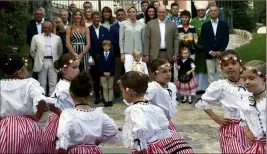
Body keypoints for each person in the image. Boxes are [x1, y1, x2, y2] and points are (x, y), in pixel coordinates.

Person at [195, 50, 250, 153]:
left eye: (233, 63)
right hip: (231, 129)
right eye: (225, 65)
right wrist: (215, 117)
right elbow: (203, 101)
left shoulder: (248, 83)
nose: (230, 67)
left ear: (240, 64)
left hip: (250, 128)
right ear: (221, 68)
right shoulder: (221, 86)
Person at [56, 72, 119, 153]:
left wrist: (73, 146)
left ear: (71, 94)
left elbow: (62, 141)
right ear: (90, 92)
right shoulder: (99, 114)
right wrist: (96, 142)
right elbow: (113, 131)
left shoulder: (67, 114)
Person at [145, 58, 195, 153]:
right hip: (157, 126)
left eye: (169, 71)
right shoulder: (153, 88)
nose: (168, 74)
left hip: (168, 124)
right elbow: (140, 102)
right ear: (154, 74)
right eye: (164, 72)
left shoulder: (171, 86)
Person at [0, 54, 47, 153]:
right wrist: (38, 116)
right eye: (25, 67)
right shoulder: (30, 83)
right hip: (27, 127)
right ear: (20, 72)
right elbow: (41, 101)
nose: (26, 69)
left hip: (4, 127)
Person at [119, 71, 171, 154]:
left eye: (122, 91)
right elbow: (163, 126)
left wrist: (138, 148)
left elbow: (140, 128)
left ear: (129, 91)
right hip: (156, 147)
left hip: (145, 150)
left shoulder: (134, 110)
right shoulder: (154, 108)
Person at [43, 53, 80, 153]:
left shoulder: (70, 84)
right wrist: (61, 114)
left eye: (78, 67)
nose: (78, 70)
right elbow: (51, 102)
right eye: (74, 67)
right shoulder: (63, 87)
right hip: (63, 123)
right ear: (64, 70)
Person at [30, 21, 63, 96]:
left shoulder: (57, 38)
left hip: (53, 62)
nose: (46, 29)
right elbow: (32, 51)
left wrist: (56, 60)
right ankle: (42, 100)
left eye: (48, 27)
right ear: (42, 28)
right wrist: (38, 58)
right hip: (42, 61)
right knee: (42, 83)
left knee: (53, 82)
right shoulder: (36, 37)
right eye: (45, 27)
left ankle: (52, 100)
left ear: (52, 28)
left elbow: (60, 51)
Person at [240, 60, 266, 153]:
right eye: (244, 79)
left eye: (251, 78)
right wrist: (247, 130)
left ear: (264, 79)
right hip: (255, 148)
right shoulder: (245, 101)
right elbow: (244, 118)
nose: (246, 82)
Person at [201, 5, 229, 84]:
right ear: (209, 13)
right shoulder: (205, 25)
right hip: (209, 54)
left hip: (221, 54)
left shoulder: (224, 25)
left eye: (215, 11)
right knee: (210, 73)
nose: (213, 12)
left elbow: (226, 39)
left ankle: (221, 90)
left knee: (221, 73)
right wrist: (210, 51)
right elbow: (204, 40)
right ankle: (212, 92)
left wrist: (221, 51)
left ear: (218, 12)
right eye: (211, 11)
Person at [89, 11, 110, 104]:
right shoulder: (88, 29)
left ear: (100, 19)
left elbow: (108, 43)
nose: (96, 19)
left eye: (98, 17)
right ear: (92, 18)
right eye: (95, 17)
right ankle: (97, 96)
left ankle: (105, 97)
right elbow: (88, 44)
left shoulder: (105, 30)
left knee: (103, 77)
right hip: (92, 57)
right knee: (95, 78)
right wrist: (92, 54)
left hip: (103, 57)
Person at [190, 1, 210, 94]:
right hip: (198, 49)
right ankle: (199, 87)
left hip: (209, 49)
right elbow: (191, 35)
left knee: (208, 67)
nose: (201, 12)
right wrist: (196, 44)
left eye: (202, 10)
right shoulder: (193, 21)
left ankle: (208, 87)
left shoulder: (210, 19)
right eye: (199, 11)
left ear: (205, 10)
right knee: (199, 67)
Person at [120, 6, 145, 72]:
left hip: (139, 53)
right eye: (130, 12)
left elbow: (143, 41)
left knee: (139, 72)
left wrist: (143, 53)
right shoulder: (123, 24)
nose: (132, 13)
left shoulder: (142, 25)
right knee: (128, 72)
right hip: (128, 53)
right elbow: (121, 39)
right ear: (127, 13)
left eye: (133, 12)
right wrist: (122, 53)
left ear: (136, 13)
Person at [110, 8, 126, 99]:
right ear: (116, 16)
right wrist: (121, 47)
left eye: (122, 14)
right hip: (117, 53)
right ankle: (117, 90)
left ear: (124, 15)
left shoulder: (129, 25)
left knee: (127, 72)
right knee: (117, 73)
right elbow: (113, 40)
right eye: (118, 14)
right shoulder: (113, 27)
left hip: (128, 52)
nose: (120, 16)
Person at [98, 40, 115, 107]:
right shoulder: (100, 55)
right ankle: (106, 100)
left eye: (107, 46)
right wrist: (103, 72)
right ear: (102, 47)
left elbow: (113, 65)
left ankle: (110, 100)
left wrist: (110, 72)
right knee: (105, 88)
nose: (106, 47)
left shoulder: (112, 55)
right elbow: (100, 65)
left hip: (111, 74)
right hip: (103, 74)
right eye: (104, 46)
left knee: (110, 87)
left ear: (110, 47)